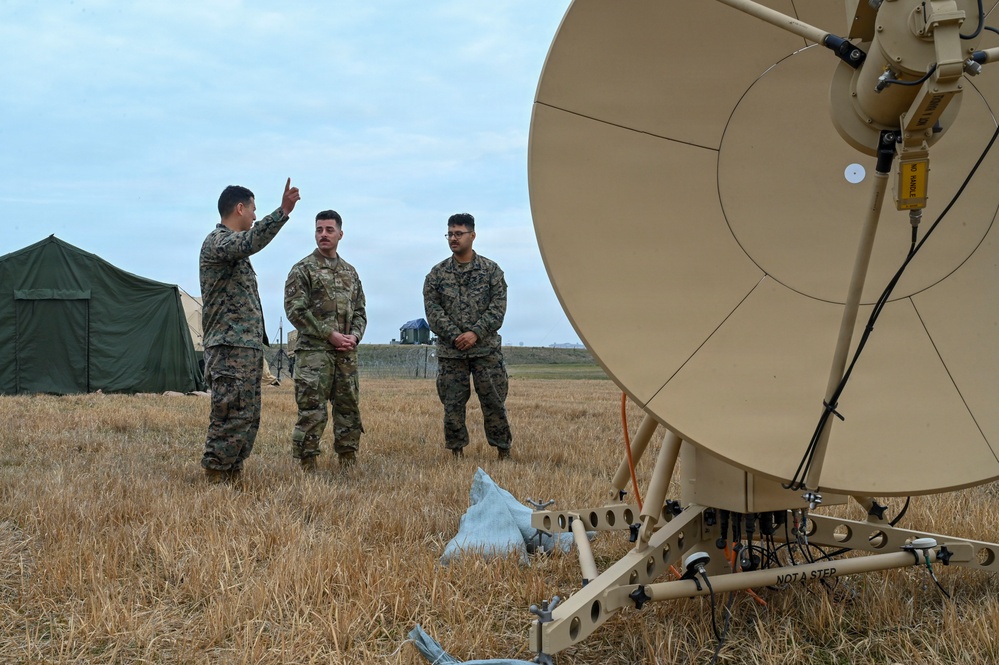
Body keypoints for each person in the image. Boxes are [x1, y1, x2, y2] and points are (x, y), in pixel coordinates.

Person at [199, 179, 301, 484]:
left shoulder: (233, 250)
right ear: (240, 208)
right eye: (254, 209)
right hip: (229, 348)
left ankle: (232, 474)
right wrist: (282, 212)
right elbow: (251, 240)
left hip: (244, 348)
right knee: (230, 413)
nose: (255, 216)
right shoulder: (218, 242)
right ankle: (216, 476)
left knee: (246, 416)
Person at [423, 213, 512, 459]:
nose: (453, 238)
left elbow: (498, 309)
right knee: (452, 406)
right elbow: (433, 312)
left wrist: (475, 333)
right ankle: (456, 452)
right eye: (450, 234)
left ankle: (503, 451)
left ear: (472, 235)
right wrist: (456, 336)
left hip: (485, 351)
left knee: (494, 402)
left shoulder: (491, 271)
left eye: (459, 234)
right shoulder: (437, 275)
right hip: (452, 353)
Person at [284, 210, 367, 471]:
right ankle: (308, 464)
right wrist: (329, 334)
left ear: (340, 234)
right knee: (312, 410)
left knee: (348, 408)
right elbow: (295, 310)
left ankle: (348, 460)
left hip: (345, 354)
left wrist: (354, 336)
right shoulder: (303, 269)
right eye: (319, 229)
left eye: (329, 230)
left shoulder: (350, 273)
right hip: (314, 354)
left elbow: (360, 311)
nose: (323, 234)